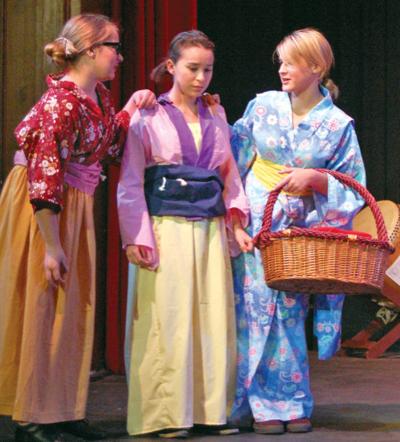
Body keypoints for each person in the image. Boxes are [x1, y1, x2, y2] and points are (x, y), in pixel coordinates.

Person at [0, 13, 154, 442]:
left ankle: (60, 408)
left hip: (73, 205)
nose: (119, 56)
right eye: (114, 47)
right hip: (44, 210)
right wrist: (50, 245)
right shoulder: (61, 103)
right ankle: (31, 416)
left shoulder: (97, 96)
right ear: (89, 51)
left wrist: (131, 107)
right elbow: (44, 175)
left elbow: (108, 145)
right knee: (42, 305)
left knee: (70, 310)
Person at [229, 28, 366, 434]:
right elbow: (232, 160)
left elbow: (355, 186)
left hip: (300, 231)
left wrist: (318, 180)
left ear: (317, 67)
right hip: (256, 221)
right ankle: (249, 403)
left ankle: (289, 401)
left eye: (292, 63)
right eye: (282, 62)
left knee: (288, 313)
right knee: (250, 311)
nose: (283, 70)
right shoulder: (263, 106)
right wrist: (233, 217)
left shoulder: (337, 124)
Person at [117, 30, 252, 439]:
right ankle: (165, 415)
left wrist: (237, 222)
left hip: (208, 229)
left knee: (211, 319)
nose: (200, 78)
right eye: (192, 68)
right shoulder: (148, 115)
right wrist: (135, 236)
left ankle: (210, 413)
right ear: (171, 66)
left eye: (207, 70)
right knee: (168, 319)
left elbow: (228, 174)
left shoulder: (215, 114)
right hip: (166, 228)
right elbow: (130, 181)